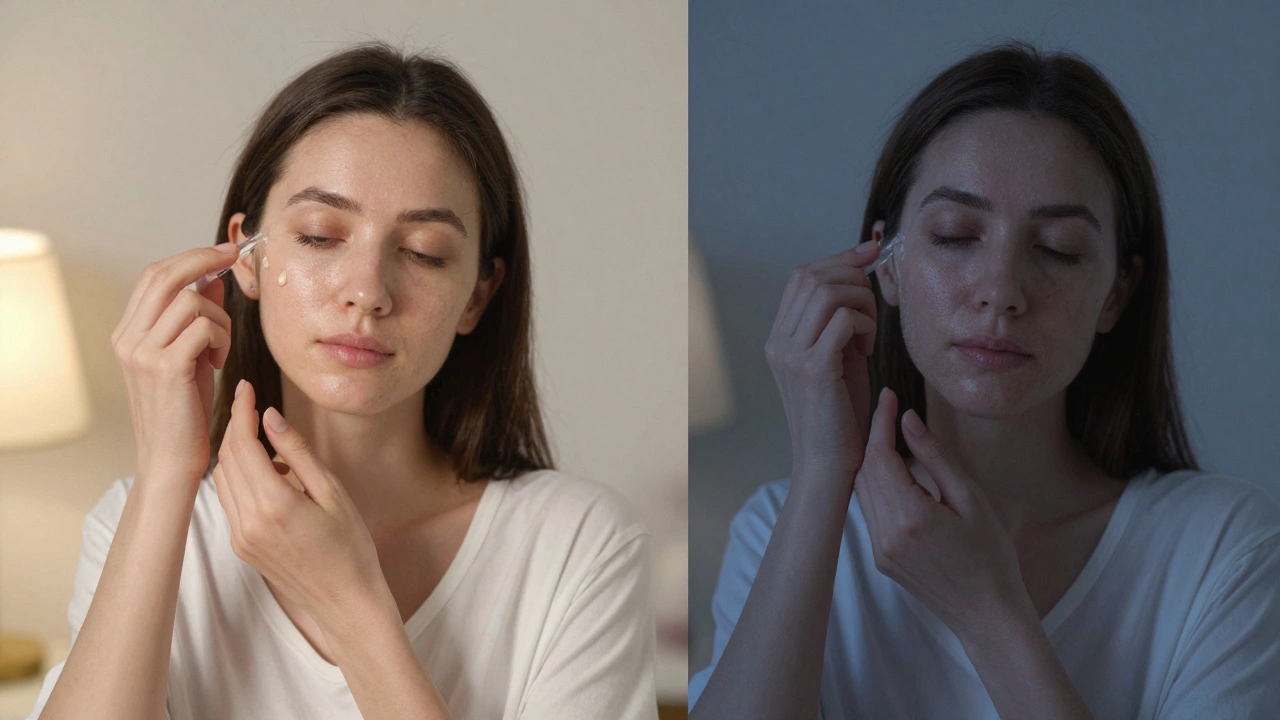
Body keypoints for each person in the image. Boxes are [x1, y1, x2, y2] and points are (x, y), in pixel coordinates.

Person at [29, 42, 657, 720]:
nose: (367, 292)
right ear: (244, 258)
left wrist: (352, 606)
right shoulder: (144, 523)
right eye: (323, 236)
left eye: (424, 252)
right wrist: (164, 475)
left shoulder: (578, 547)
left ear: (478, 295)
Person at [689, 41, 1280, 719]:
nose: (1000, 292)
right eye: (954, 234)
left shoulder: (1225, 553)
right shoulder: (781, 529)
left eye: (1057, 249)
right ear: (886, 265)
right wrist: (824, 471)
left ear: (1118, 293)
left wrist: (988, 611)